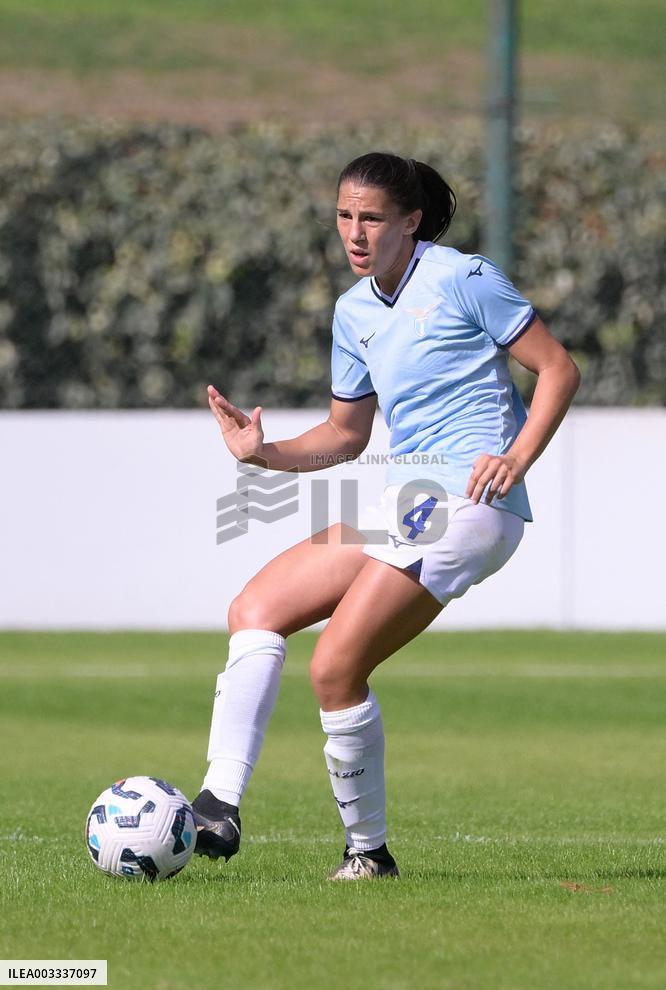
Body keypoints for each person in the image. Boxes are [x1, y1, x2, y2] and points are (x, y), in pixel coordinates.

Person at [191, 152, 580, 880]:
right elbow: (346, 434)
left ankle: (367, 853)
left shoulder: (463, 276)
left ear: (411, 220)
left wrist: (517, 458)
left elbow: (558, 368)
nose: (355, 232)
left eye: (371, 217)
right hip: (406, 498)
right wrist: (261, 452)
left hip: (470, 499)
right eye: (344, 215)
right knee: (256, 608)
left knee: (335, 665)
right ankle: (218, 803)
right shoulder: (354, 310)